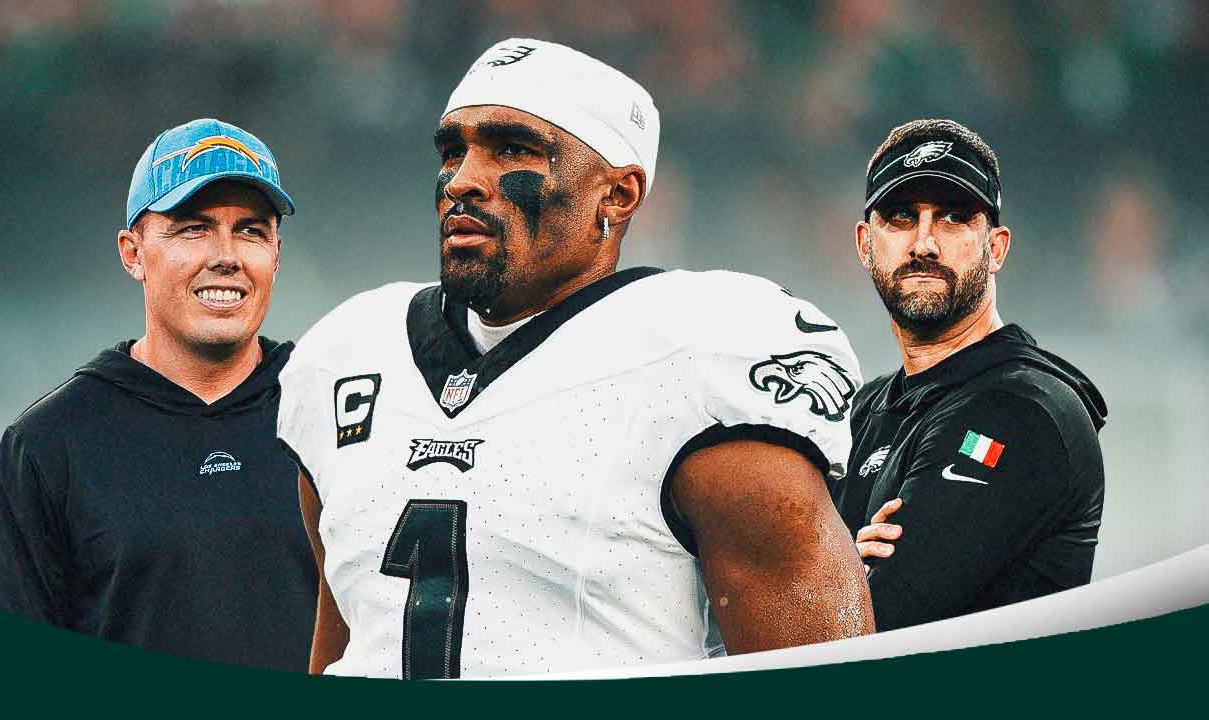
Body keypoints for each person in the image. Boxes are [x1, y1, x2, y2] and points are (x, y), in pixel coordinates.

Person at [276, 38, 873, 679]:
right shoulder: (346, 355)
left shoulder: (699, 358)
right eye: (454, 150)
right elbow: (349, 638)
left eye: (512, 149)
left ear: (616, 195)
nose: (464, 181)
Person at [0, 118, 318, 671]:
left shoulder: (339, 407)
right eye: (193, 228)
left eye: (251, 230)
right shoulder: (50, 442)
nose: (226, 255)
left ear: (276, 253)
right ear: (133, 253)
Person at [834, 118, 1107, 631]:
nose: (924, 243)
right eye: (900, 217)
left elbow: (871, 627)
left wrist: (825, 562)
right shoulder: (865, 408)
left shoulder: (1024, 410)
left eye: (954, 218)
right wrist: (842, 562)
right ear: (865, 244)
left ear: (996, 247)